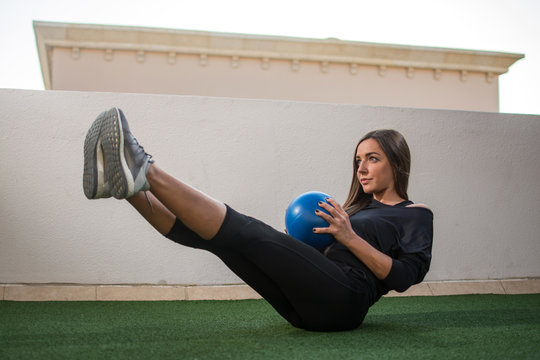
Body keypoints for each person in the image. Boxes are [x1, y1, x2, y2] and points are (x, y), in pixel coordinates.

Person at [83, 107, 433, 332]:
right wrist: (298, 247)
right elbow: (328, 255)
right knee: (222, 242)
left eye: (372, 158)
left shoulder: (415, 215)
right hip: (305, 310)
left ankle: (144, 167)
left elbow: (405, 277)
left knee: (247, 230)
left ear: (397, 164)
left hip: (346, 302)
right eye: (358, 160)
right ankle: (125, 188)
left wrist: (349, 237)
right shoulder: (355, 210)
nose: (361, 168)